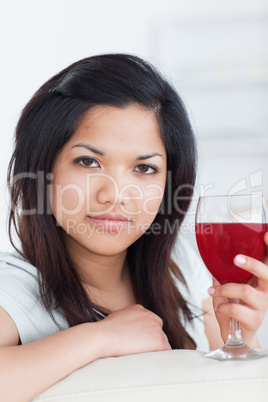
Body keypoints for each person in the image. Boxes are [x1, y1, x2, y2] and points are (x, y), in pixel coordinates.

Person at [0, 53, 267, 401]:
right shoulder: (15, 289)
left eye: (144, 169)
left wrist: (244, 335)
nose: (115, 195)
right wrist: (101, 337)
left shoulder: (187, 266)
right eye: (88, 161)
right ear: (43, 170)